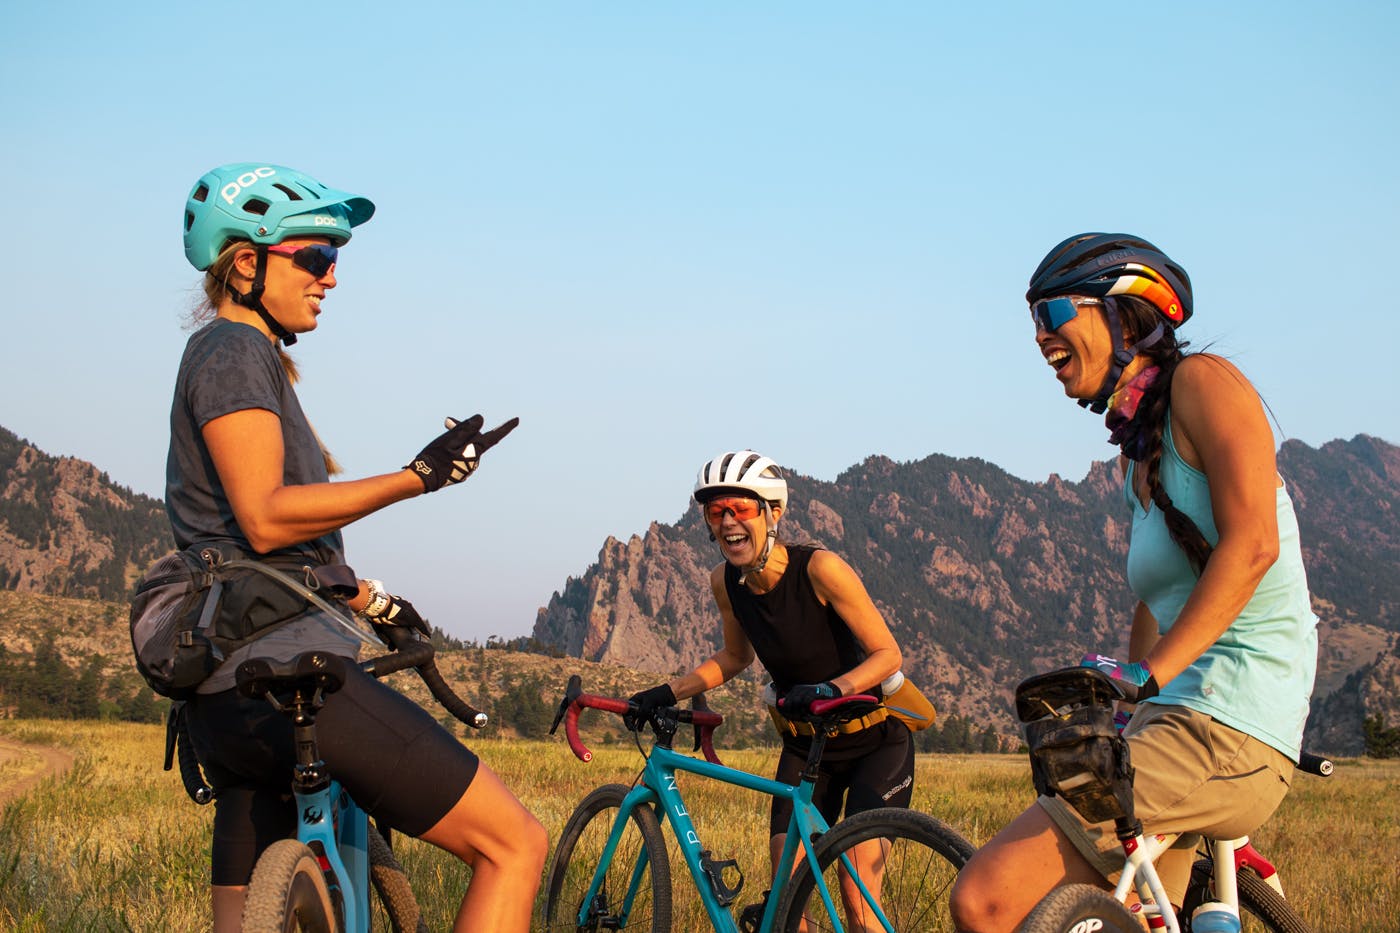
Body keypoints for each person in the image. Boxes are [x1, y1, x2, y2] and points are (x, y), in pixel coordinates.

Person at [169, 162, 546, 932]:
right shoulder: (233, 353)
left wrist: (371, 599)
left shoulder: (240, 358)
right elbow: (269, 518)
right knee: (516, 843)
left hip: (228, 705)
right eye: (315, 257)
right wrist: (417, 477)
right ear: (247, 262)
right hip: (294, 684)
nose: (332, 277)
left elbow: (261, 549)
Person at [950, 234, 1318, 932]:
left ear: (1123, 315)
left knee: (987, 900)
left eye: (1052, 311)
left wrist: (1148, 675)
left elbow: (1253, 546)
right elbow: (1155, 603)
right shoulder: (1136, 459)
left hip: (1229, 721)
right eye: (1031, 321)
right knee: (1138, 917)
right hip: (1173, 722)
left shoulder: (1205, 382)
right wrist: (1123, 699)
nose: (1039, 336)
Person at [629, 450, 916, 921]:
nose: (727, 522)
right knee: (789, 894)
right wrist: (667, 692)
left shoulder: (820, 569)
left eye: (739, 509)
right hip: (807, 749)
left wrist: (831, 689)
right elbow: (736, 657)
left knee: (857, 892)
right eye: (715, 511)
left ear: (772, 512)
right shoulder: (726, 582)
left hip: (875, 742)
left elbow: (889, 655)